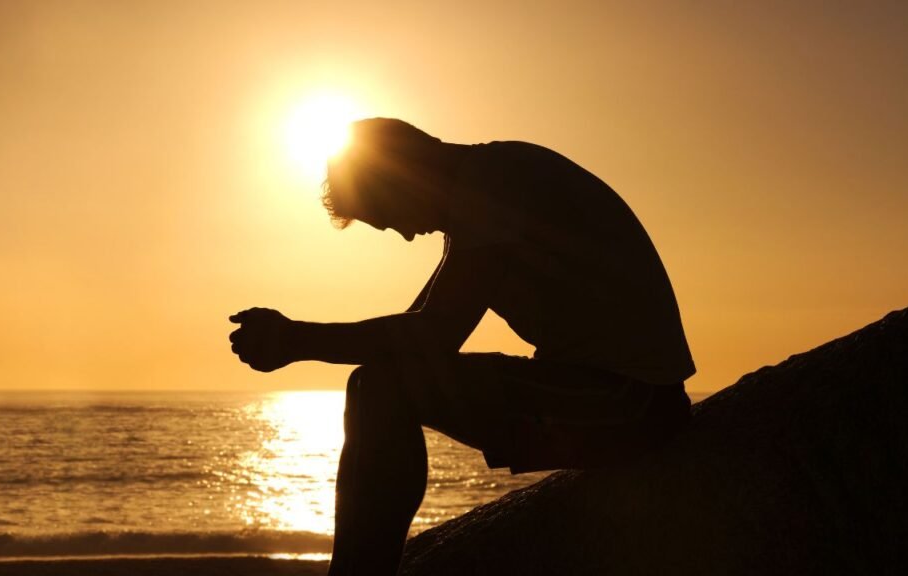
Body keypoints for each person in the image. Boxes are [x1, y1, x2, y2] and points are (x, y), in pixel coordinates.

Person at [229, 118, 695, 575]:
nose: (407, 234)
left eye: (389, 219)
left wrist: (297, 339)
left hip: (632, 401)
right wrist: (294, 339)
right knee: (379, 384)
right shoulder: (484, 189)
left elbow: (431, 337)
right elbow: (415, 339)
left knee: (380, 391)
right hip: (614, 392)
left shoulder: (493, 183)